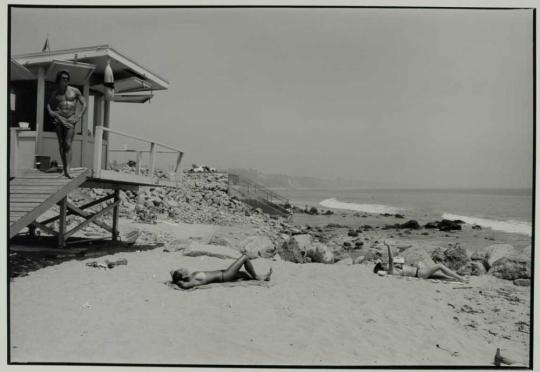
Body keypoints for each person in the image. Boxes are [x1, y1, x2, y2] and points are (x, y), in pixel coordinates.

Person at [46, 70, 87, 178]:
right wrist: (52, 112)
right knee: (61, 143)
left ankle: (68, 169)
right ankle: (65, 168)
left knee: (68, 144)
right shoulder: (55, 93)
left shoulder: (75, 91)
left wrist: (79, 116)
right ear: (59, 80)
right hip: (59, 119)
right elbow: (49, 105)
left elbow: (84, 103)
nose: (66, 80)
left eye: (67, 78)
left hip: (70, 119)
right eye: (63, 78)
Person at [373, 240, 465, 282]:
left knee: (440, 273)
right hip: (421, 273)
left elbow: (399, 259)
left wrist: (398, 249)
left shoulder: (394, 268)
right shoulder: (391, 271)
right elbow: (391, 259)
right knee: (440, 266)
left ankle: (456, 276)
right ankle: (460, 278)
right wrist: (388, 246)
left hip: (420, 270)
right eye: (383, 264)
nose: (385, 263)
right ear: (383, 267)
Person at [170, 254, 273, 289]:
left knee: (245, 274)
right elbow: (184, 286)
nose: (183, 268)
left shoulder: (190, 276)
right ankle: (257, 277)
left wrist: (175, 276)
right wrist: (177, 281)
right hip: (225, 276)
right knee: (245, 257)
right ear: (183, 276)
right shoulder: (192, 280)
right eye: (182, 270)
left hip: (224, 273)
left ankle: (263, 277)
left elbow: (171, 272)